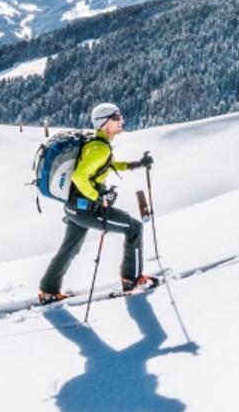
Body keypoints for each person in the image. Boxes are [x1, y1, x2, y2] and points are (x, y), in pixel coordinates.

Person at [39, 102, 156, 304]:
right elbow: (79, 176)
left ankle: (48, 290)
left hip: (74, 207)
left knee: (70, 248)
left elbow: (107, 166)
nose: (121, 120)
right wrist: (98, 198)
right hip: (88, 209)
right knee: (134, 228)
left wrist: (137, 164)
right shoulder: (99, 148)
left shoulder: (97, 144)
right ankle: (133, 280)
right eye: (116, 117)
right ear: (104, 123)